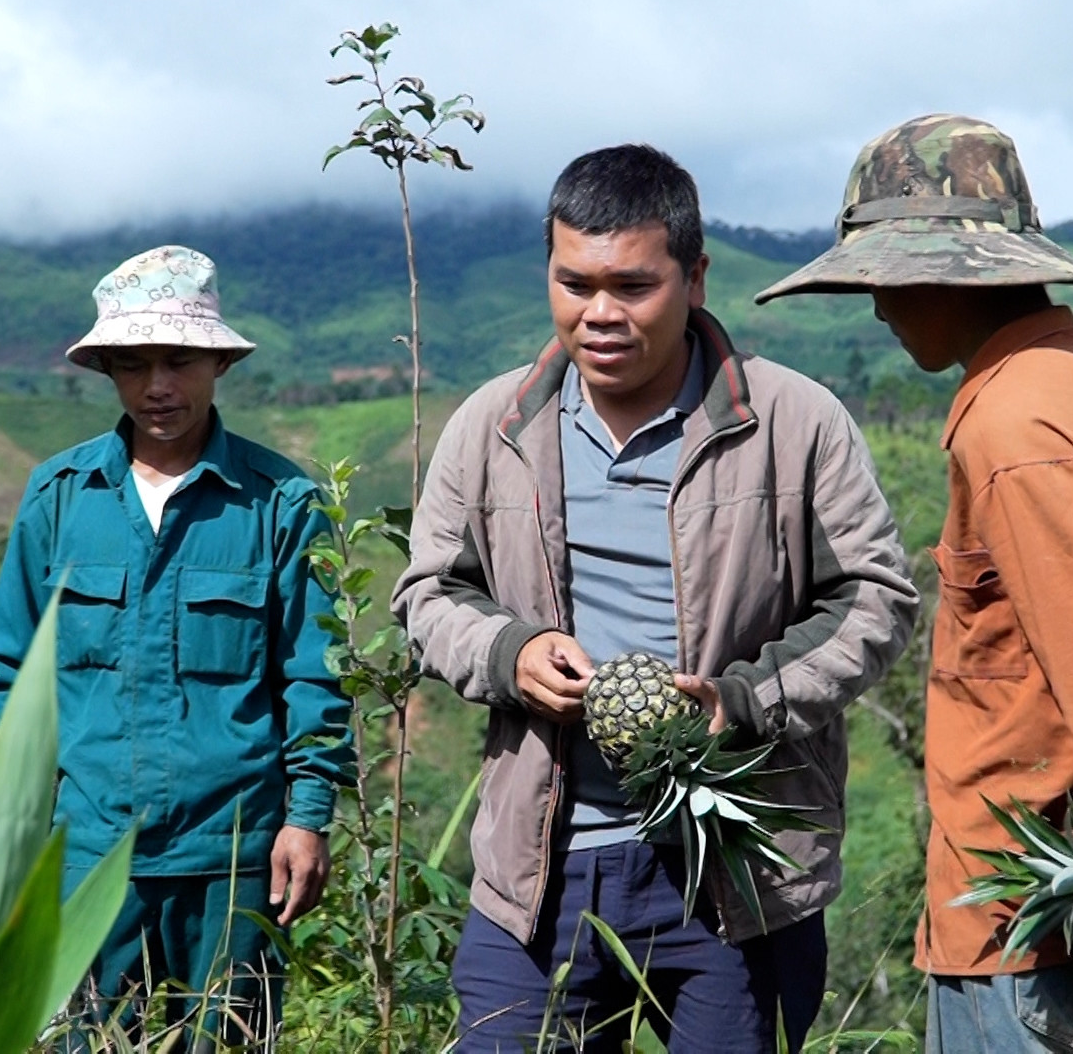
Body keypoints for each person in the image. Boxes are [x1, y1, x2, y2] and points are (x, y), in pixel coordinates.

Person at [392, 144, 919, 1053]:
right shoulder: (494, 428)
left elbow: (875, 599)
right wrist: (512, 654)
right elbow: (429, 594)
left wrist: (744, 699)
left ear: (695, 277)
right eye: (574, 284)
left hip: (739, 879)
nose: (600, 313)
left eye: (633, 286)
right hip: (540, 873)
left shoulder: (792, 423)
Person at [755, 114, 1073, 1052]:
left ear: (939, 274)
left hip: (1031, 952)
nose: (877, 308)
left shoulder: (1015, 425)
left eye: (882, 280)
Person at [0, 245, 352, 1047]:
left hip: (233, 856)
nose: (157, 386)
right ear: (107, 369)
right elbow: (10, 672)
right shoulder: (60, 498)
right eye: (133, 364)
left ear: (219, 363)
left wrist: (308, 818)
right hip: (86, 850)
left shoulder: (279, 503)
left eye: (179, 361)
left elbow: (314, 679)